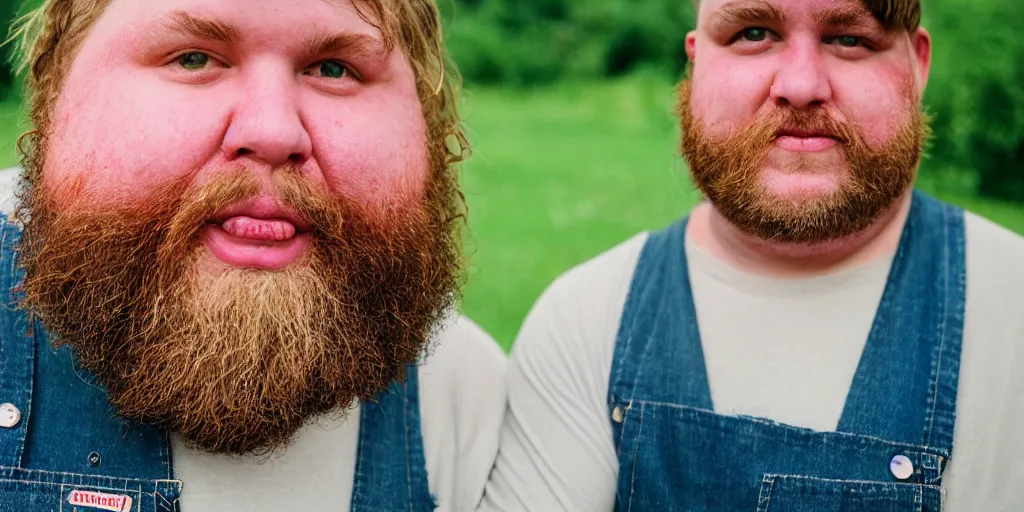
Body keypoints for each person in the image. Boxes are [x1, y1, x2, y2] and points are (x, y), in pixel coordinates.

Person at [479, 0, 1024, 510]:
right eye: (753, 33)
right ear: (696, 65)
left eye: (850, 39)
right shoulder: (581, 324)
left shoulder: (1012, 308)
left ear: (917, 65)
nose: (802, 85)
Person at [0, 0, 507, 510]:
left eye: (334, 69)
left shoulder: (465, 396)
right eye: (193, 59)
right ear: (58, 85)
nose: (272, 133)